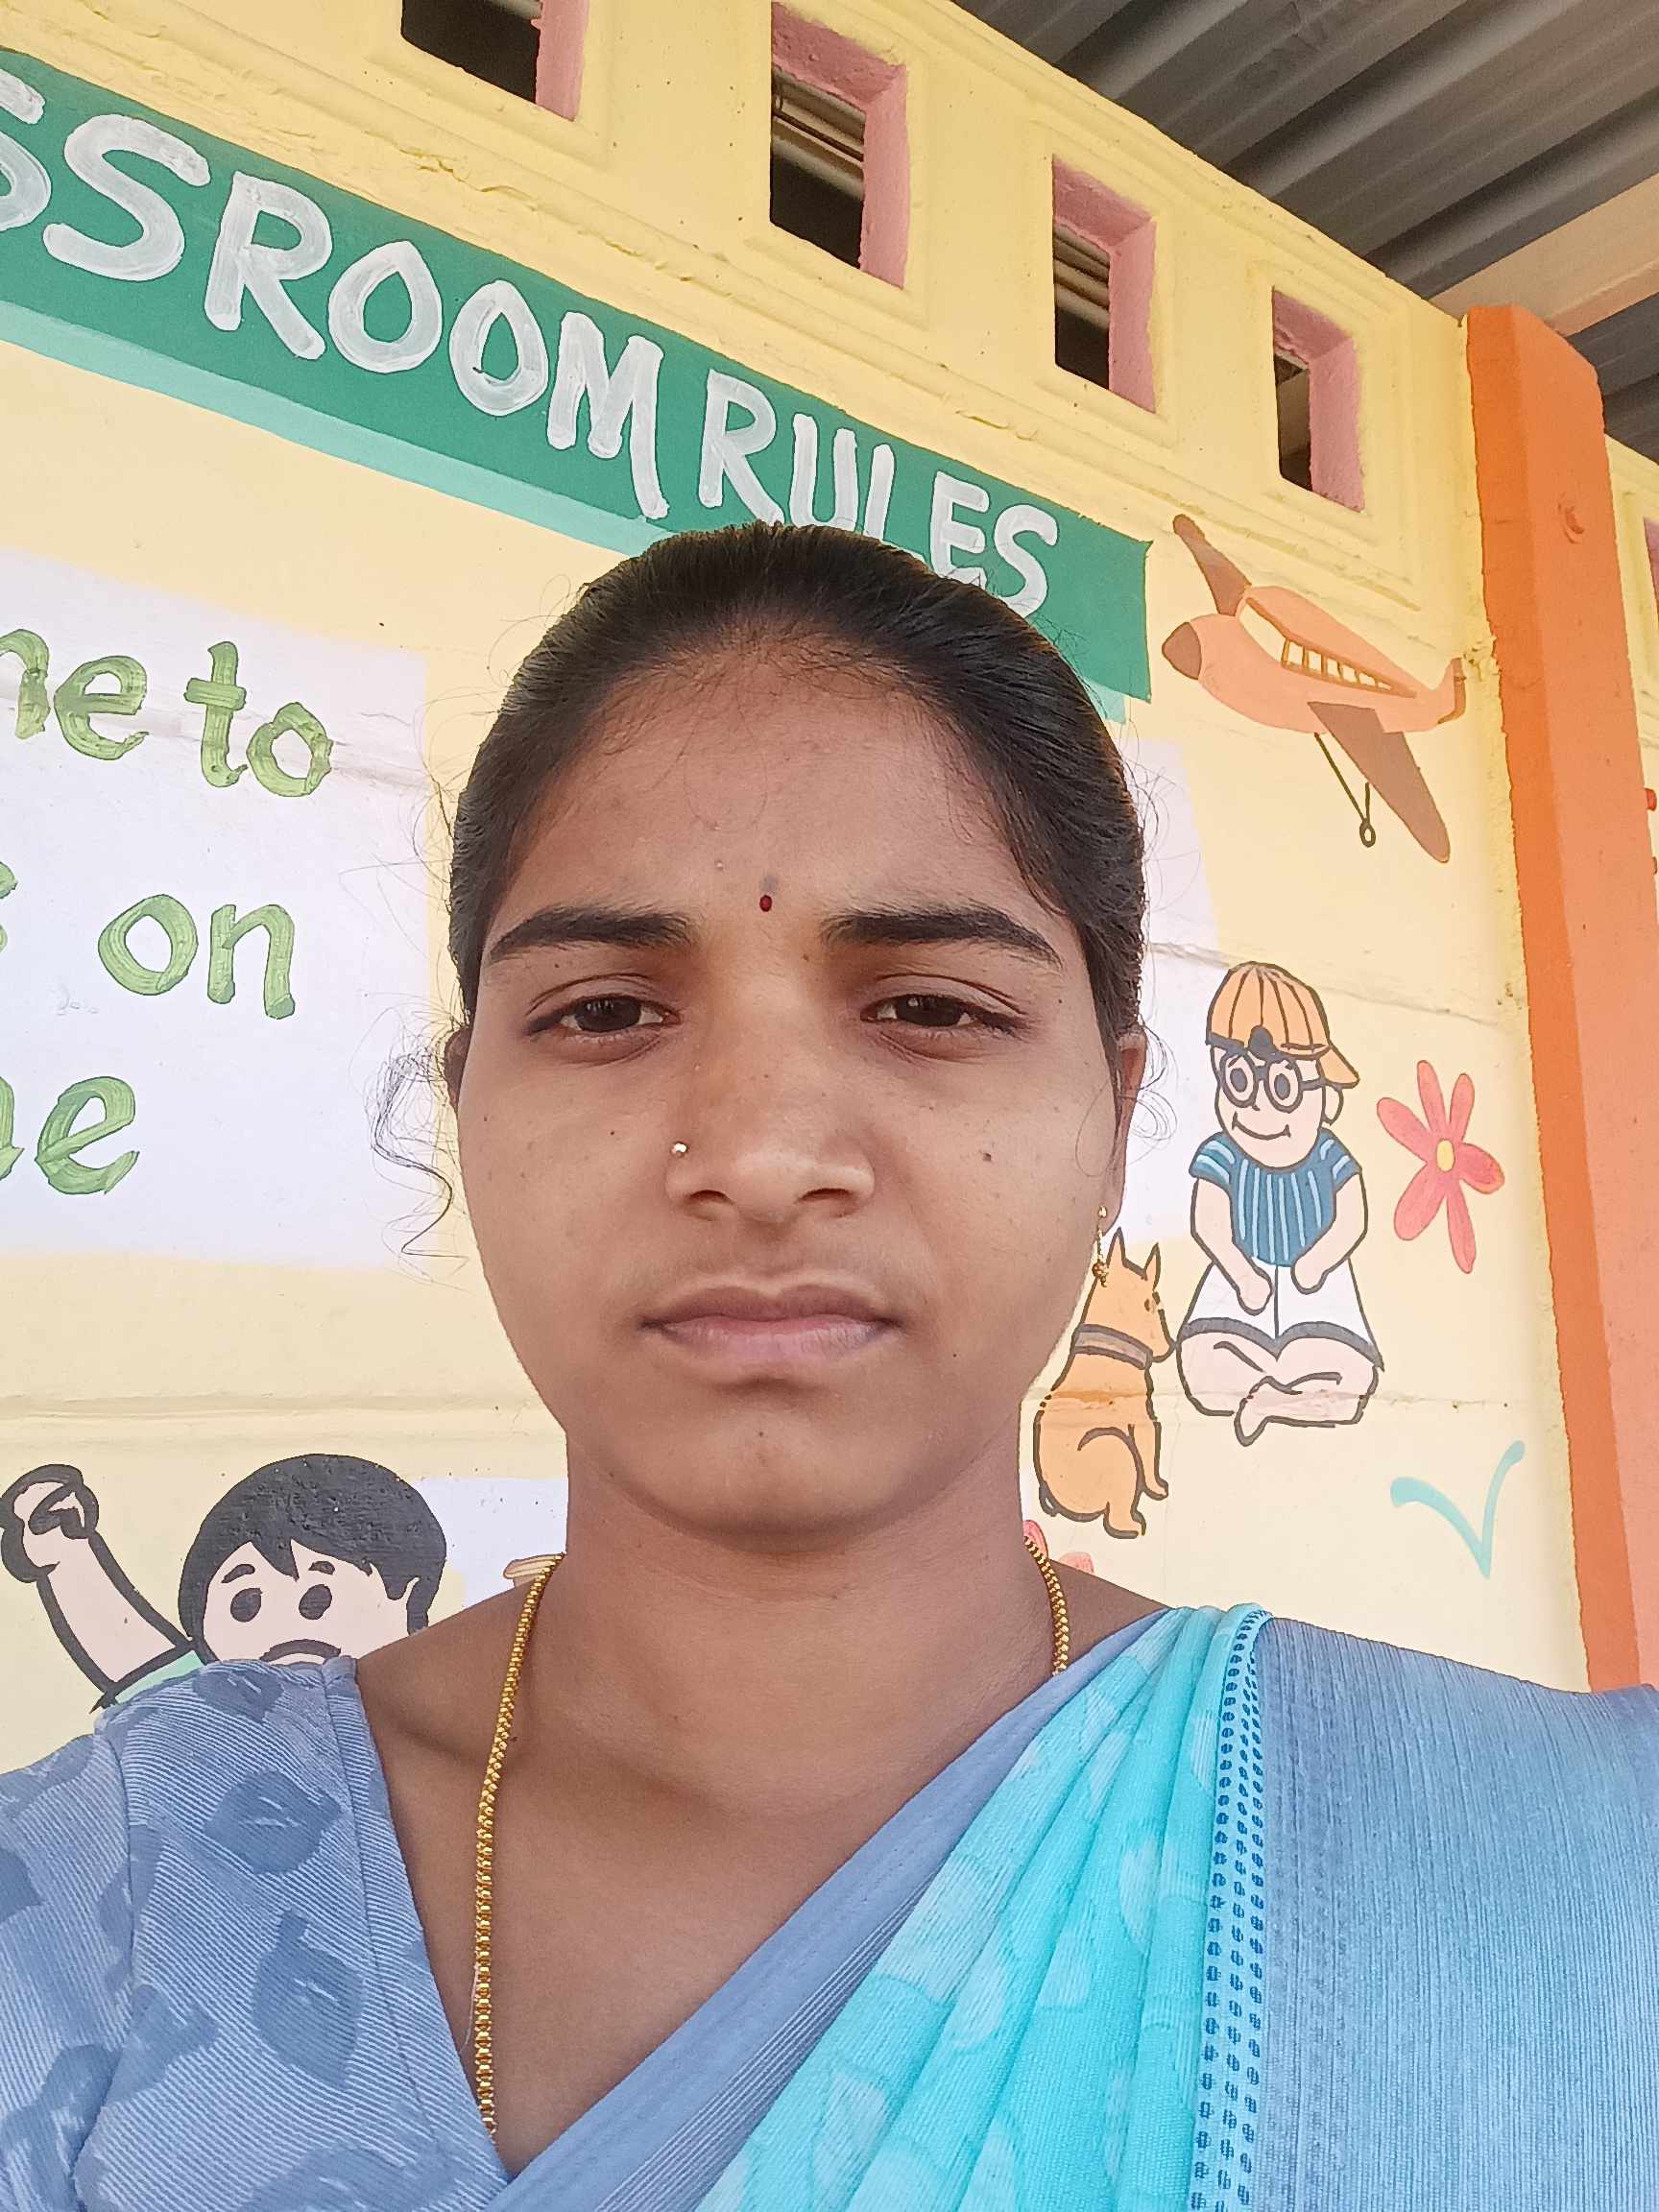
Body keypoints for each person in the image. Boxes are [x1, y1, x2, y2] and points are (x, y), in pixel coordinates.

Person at [0, 523, 1652, 2212]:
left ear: (1112, 1116)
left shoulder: (1562, 1880)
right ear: (464, 1099)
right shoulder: (105, 1905)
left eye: (930, 1006)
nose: (763, 1153)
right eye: (604, 1011)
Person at [0, 1455, 447, 1703]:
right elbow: (134, 1656)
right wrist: (68, 1556)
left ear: (406, 1597)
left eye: (317, 1599)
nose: (282, 1626)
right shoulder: (218, 1703)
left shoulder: (419, 1702)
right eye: (245, 1604)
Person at [1176, 962, 1381, 1444]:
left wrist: (1318, 1262)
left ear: (1326, 1098)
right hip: (1242, 1283)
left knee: (1353, 1377)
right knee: (1202, 1364)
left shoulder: (1330, 1156)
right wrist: (1242, 1275)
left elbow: (1352, 1217)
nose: (1257, 1108)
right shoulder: (1222, 1155)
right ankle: (1269, 1393)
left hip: (1318, 1288)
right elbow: (1209, 1224)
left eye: (1283, 1087)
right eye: (1239, 1082)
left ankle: (1272, 1400)